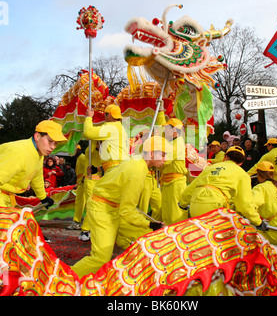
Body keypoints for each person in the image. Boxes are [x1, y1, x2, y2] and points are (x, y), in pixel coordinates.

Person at [71, 136, 169, 278]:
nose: (165, 159)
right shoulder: (138, 172)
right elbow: (127, 211)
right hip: (102, 208)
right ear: (152, 153)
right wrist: (150, 223)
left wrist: (149, 225)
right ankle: (63, 278)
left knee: (142, 236)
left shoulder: (136, 161)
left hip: (111, 206)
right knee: (100, 258)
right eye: (164, 154)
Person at [0, 120, 66, 209]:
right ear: (37, 136)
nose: (53, 147)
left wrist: (43, 197)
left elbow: (36, 176)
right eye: (50, 141)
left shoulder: (38, 153)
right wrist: (0, 211)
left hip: (1, 195)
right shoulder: (19, 153)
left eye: (55, 143)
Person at [178, 146, 264, 229]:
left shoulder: (209, 168)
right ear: (241, 163)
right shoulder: (243, 174)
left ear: (226, 157)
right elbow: (244, 204)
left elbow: (191, 188)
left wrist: (183, 203)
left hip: (195, 206)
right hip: (214, 208)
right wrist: (258, 222)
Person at [156, 111, 189, 225]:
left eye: (167, 128)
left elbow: (166, 159)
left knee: (175, 215)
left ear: (175, 130)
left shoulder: (178, 143)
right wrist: (160, 111)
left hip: (176, 184)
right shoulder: (171, 140)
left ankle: (177, 238)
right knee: (167, 212)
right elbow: (161, 127)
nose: (165, 130)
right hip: (168, 183)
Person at [83, 104, 129, 173]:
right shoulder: (121, 128)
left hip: (114, 169)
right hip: (119, 167)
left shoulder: (111, 127)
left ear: (110, 115)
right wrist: (97, 169)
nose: (104, 116)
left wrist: (89, 117)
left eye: (105, 114)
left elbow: (88, 132)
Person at [67, 145, 86, 230]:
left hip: (83, 183)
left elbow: (87, 169)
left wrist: (82, 180)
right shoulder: (80, 158)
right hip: (81, 182)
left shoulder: (82, 158)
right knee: (80, 202)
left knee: (80, 202)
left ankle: (77, 222)